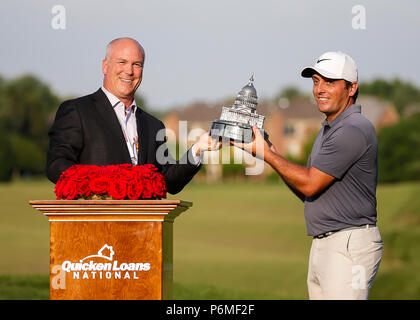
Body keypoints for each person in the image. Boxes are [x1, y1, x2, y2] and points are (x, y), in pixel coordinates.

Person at [232, 51, 382, 299]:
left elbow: (310, 184)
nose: (320, 89)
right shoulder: (331, 128)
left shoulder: (353, 129)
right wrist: (272, 152)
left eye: (330, 82)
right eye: (315, 81)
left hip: (347, 243)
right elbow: (309, 191)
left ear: (352, 88)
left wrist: (269, 156)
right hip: (327, 243)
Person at [47, 37, 220, 194]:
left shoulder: (153, 125)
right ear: (105, 66)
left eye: (137, 64)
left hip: (144, 226)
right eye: (122, 62)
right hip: (94, 223)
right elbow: (57, 165)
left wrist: (198, 148)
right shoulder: (77, 111)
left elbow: (168, 182)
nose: (129, 71)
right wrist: (104, 187)